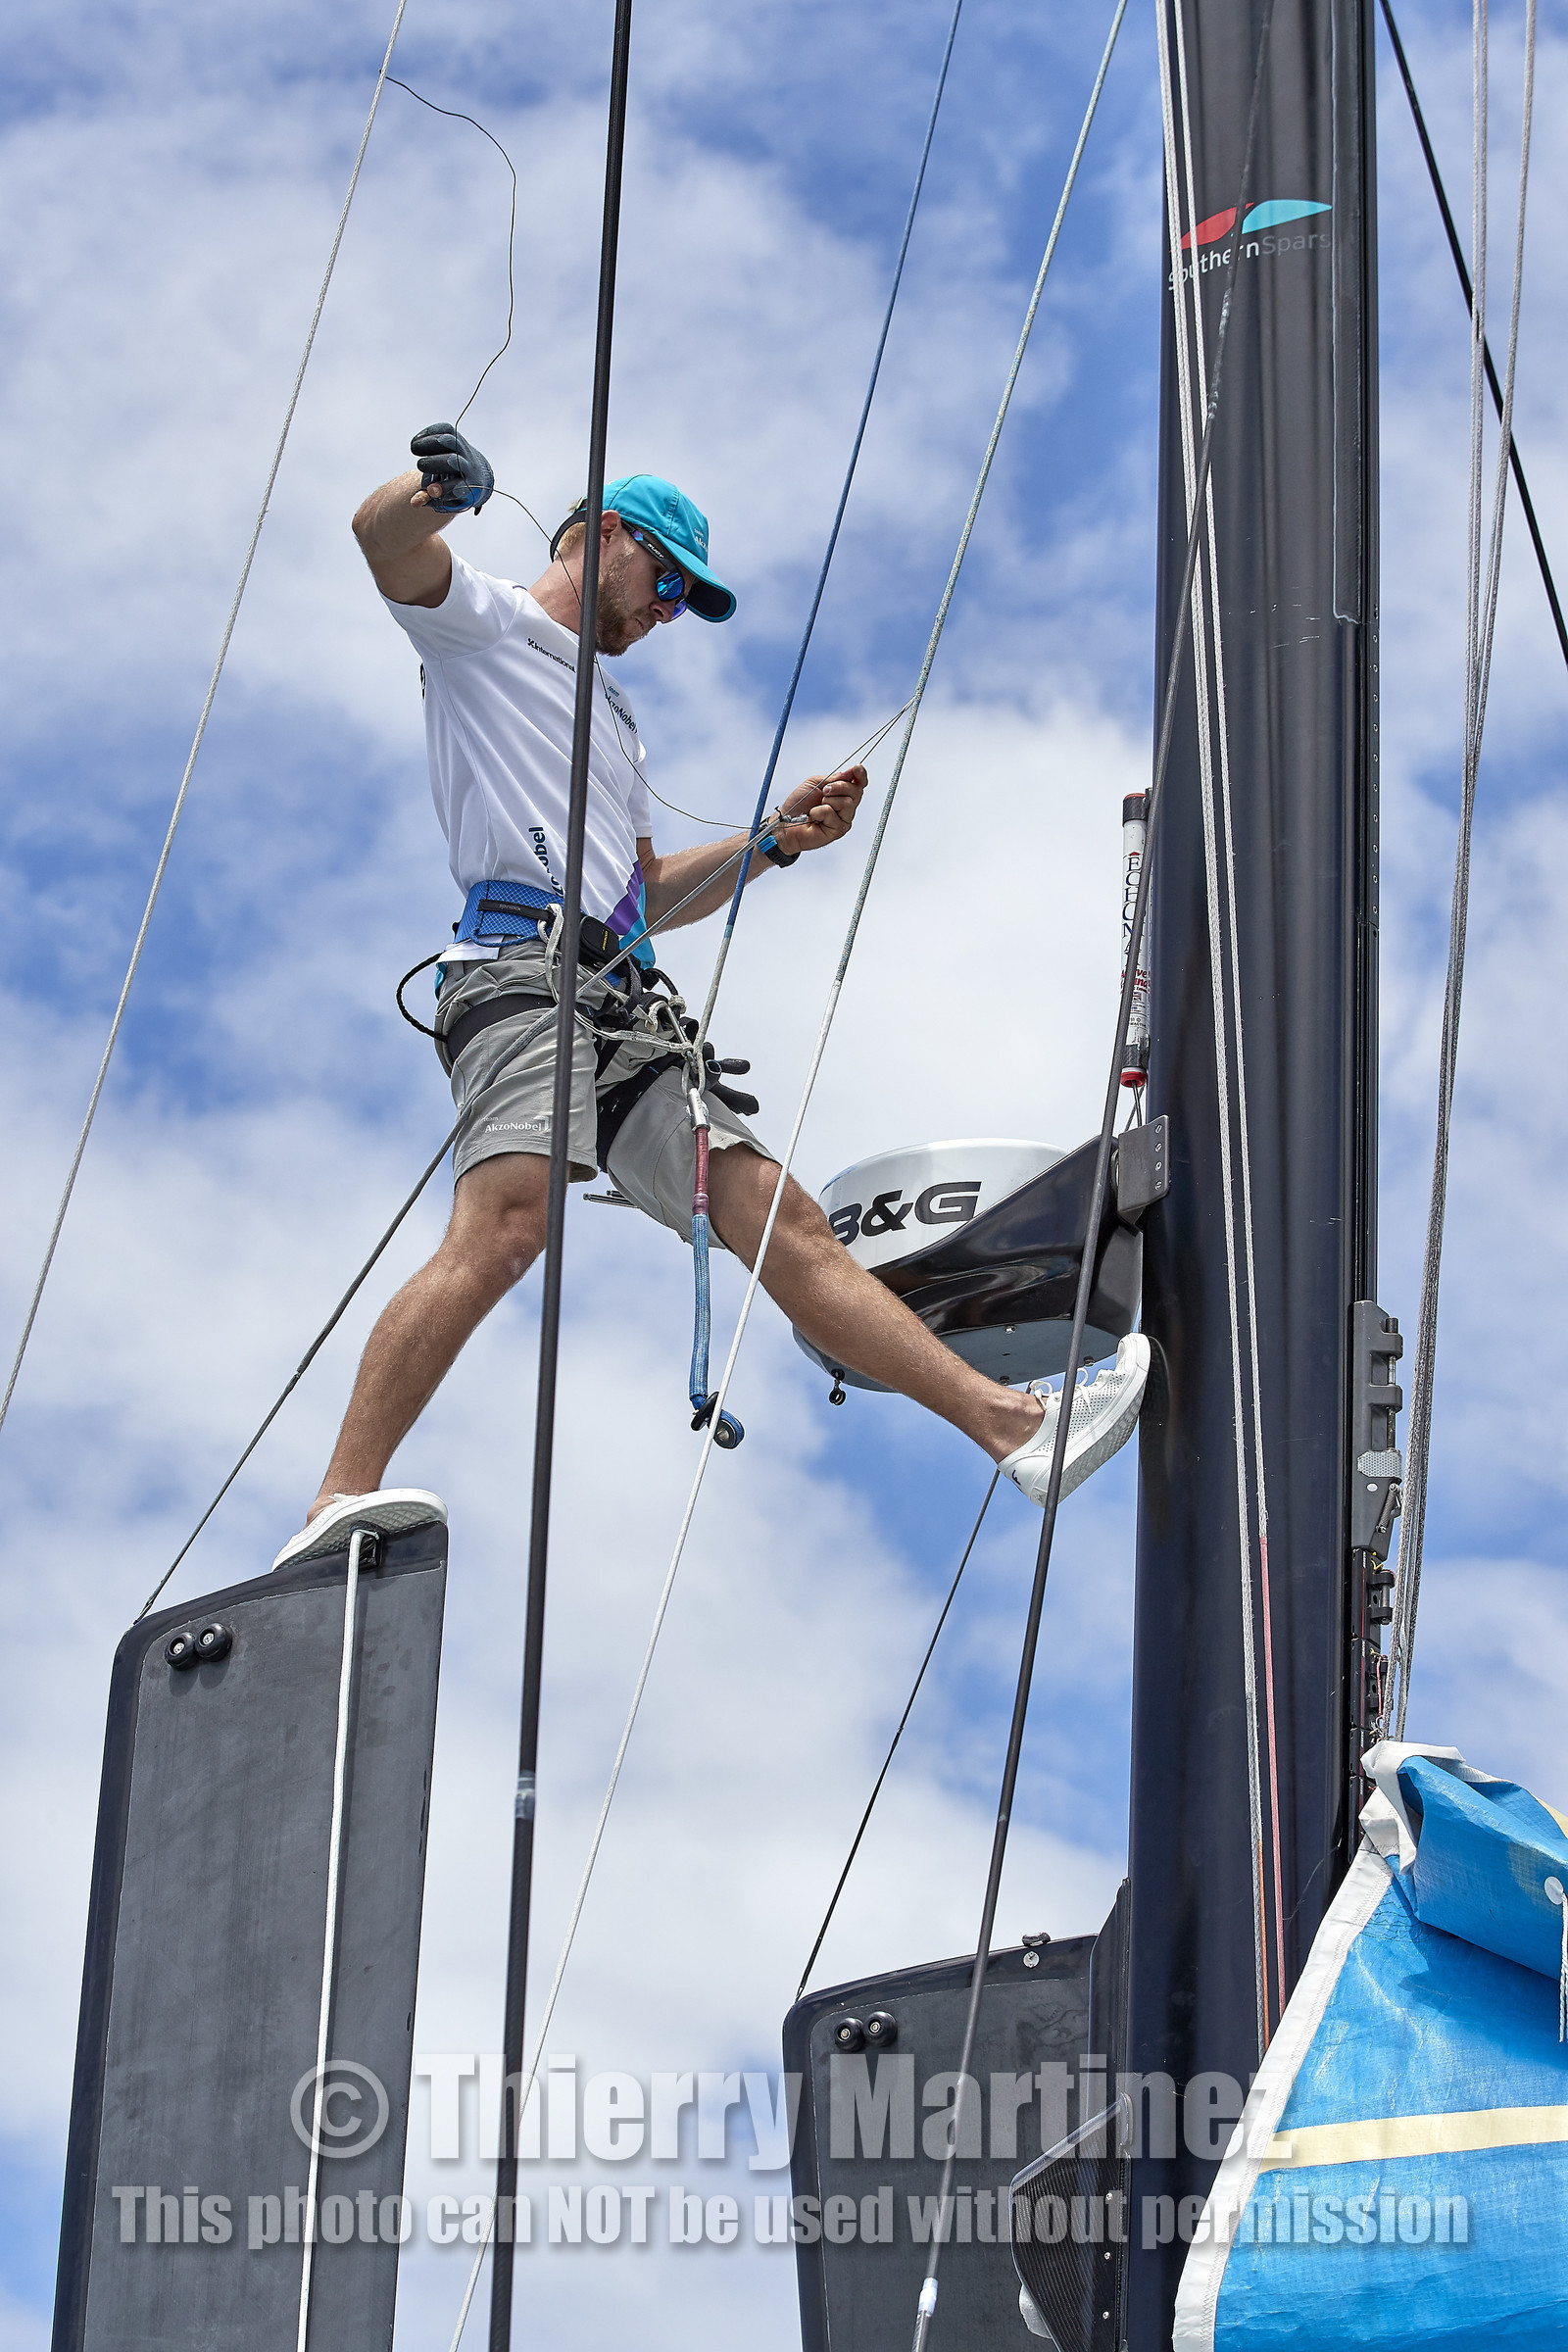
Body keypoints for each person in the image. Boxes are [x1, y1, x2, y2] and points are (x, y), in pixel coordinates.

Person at [272, 425, 1148, 1568]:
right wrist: (444, 490)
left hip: (616, 996)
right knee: (507, 1225)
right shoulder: (482, 622)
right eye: (667, 584)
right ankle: (336, 1502)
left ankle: (1014, 1428)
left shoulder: (619, 720)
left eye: (686, 602)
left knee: (777, 1212)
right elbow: (381, 539)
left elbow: (639, 900)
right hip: (518, 976)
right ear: (603, 539)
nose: (668, 614)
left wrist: (775, 843)